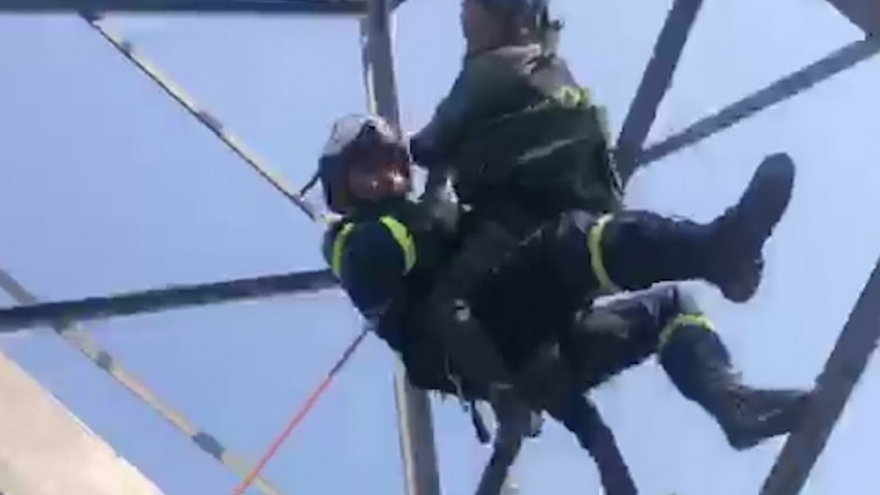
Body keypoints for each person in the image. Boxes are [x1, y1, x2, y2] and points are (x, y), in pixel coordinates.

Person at [317, 113, 810, 456]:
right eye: (368, 168)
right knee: (568, 242)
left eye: (392, 163)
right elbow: (400, 258)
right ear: (342, 186)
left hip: (532, 349)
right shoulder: (359, 240)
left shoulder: (420, 216)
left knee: (670, 308)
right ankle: (716, 251)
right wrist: (447, 181)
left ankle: (731, 403)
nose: (386, 176)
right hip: (484, 340)